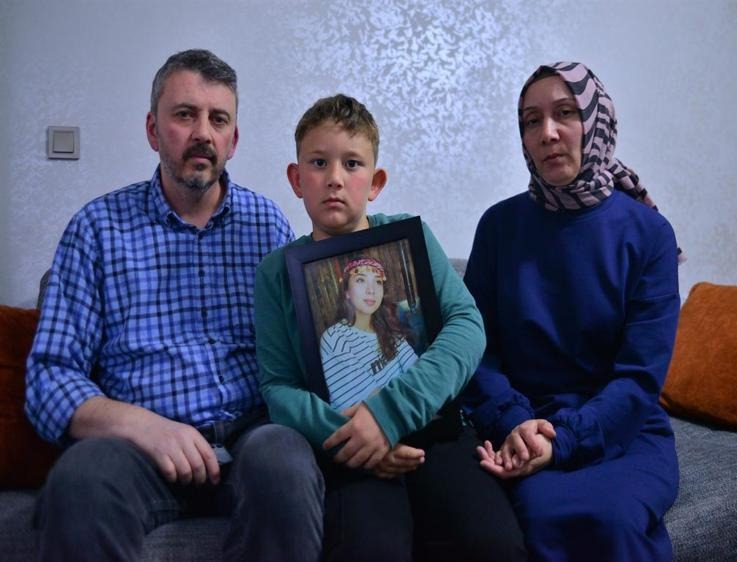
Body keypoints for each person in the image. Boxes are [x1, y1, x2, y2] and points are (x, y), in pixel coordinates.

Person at [25, 49, 323, 562]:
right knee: (79, 480)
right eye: (185, 115)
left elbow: (305, 351)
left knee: (285, 462)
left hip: (251, 437)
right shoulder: (97, 229)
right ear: (153, 130)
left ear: (233, 140)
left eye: (218, 119)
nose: (203, 133)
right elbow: (49, 375)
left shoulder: (268, 225)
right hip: (138, 448)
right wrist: (145, 428)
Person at [255, 94, 526, 562]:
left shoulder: (409, 236)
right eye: (318, 163)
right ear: (297, 179)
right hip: (349, 450)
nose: (335, 178)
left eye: (352, 163)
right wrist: (354, 436)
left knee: (493, 544)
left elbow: (467, 327)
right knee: (370, 549)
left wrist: (388, 416)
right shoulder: (277, 273)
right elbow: (279, 387)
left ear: (376, 182)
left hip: (438, 434)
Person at [461, 61, 681, 561]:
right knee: (537, 518)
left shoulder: (649, 234)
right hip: (524, 426)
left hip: (623, 430)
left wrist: (562, 441)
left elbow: (640, 377)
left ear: (595, 121)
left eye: (565, 113)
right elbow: (476, 351)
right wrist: (516, 424)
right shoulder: (498, 227)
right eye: (531, 120)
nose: (548, 133)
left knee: (613, 519)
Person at [320, 255, 418, 411]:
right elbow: (375, 408)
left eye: (378, 282)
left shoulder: (388, 326)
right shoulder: (335, 339)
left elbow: (416, 373)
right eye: (360, 280)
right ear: (347, 292)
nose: (371, 290)